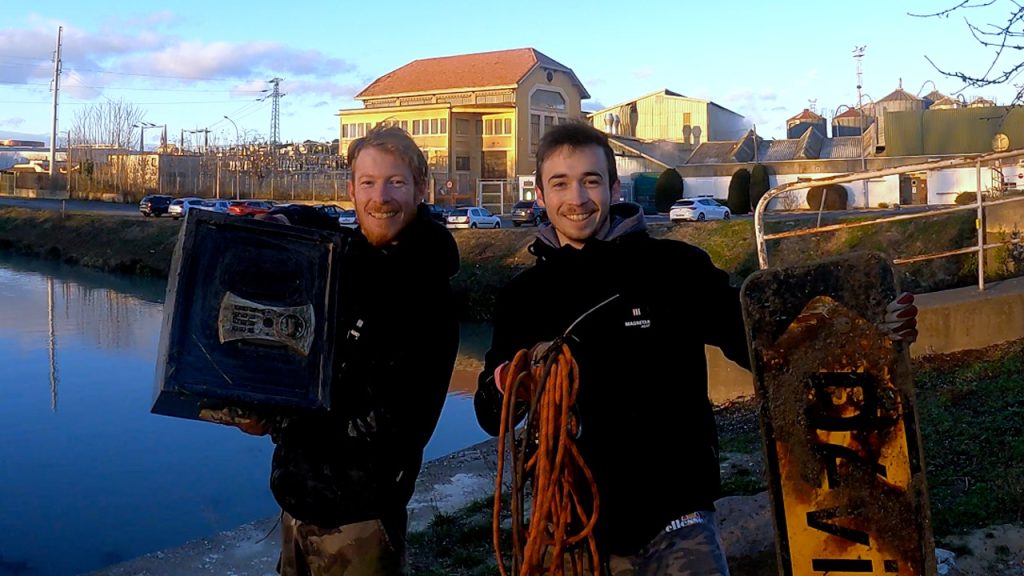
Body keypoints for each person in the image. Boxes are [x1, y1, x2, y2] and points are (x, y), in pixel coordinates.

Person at [473, 121, 917, 575]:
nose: (577, 198)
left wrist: (870, 329)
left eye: (591, 181)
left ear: (613, 186)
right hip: (571, 527)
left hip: (677, 519)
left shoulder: (676, 269)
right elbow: (489, 414)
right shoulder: (522, 298)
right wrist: (510, 383)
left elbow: (764, 340)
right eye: (560, 184)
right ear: (540, 195)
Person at [225, 125, 461, 576]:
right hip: (298, 501)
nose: (380, 197)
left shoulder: (426, 290)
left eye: (396, 182)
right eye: (368, 182)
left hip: (360, 520)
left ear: (420, 189)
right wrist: (284, 219)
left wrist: (283, 417)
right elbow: (323, 224)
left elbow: (394, 425)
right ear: (351, 190)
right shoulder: (351, 255)